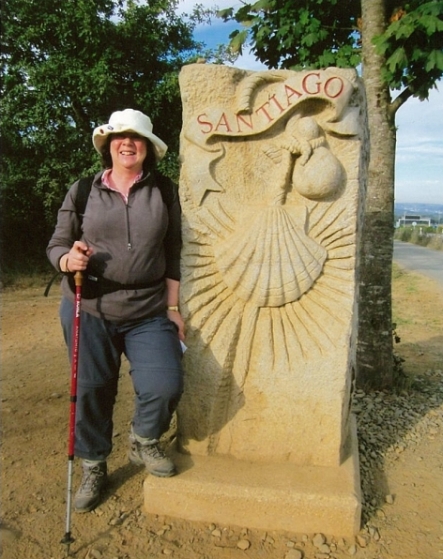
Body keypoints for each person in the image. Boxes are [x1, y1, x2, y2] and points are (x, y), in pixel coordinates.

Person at [47, 109, 185, 513]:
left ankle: (144, 439)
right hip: (89, 306)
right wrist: (67, 260)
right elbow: (57, 243)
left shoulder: (165, 190)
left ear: (148, 148)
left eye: (136, 137)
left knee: (165, 383)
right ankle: (93, 464)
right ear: (108, 146)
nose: (128, 143)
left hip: (148, 308)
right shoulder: (83, 191)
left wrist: (173, 307)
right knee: (91, 389)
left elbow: (174, 252)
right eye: (120, 137)